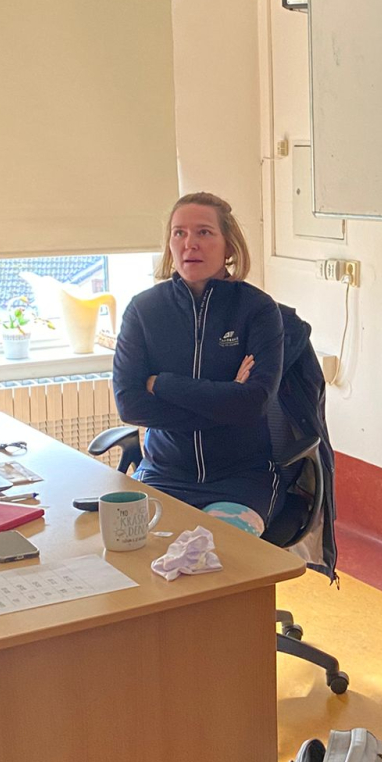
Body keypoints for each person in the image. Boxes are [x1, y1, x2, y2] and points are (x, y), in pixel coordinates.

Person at [112, 191, 284, 528]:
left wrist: (162, 385)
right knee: (130, 545)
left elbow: (253, 404)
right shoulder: (144, 310)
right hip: (162, 474)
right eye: (179, 233)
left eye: (204, 232)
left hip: (241, 480)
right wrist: (226, 400)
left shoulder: (258, 310)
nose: (190, 243)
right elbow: (130, 405)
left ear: (229, 245)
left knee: (216, 550)